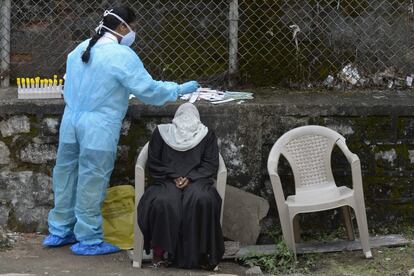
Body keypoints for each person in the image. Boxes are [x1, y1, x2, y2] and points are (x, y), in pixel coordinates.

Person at [43, 6, 199, 256]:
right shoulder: (120, 55)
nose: (133, 33)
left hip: (70, 123)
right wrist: (177, 90)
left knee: (66, 176)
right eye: (133, 28)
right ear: (122, 28)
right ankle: (89, 239)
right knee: (92, 181)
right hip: (99, 127)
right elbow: (148, 90)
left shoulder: (79, 49)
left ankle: (60, 230)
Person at [138, 103, 224, 269]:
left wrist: (190, 178)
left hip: (197, 181)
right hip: (166, 181)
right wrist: (175, 177)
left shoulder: (206, 135)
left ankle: (201, 255)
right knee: (163, 202)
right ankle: (160, 253)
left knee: (203, 199)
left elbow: (210, 163)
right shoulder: (161, 133)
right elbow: (154, 162)